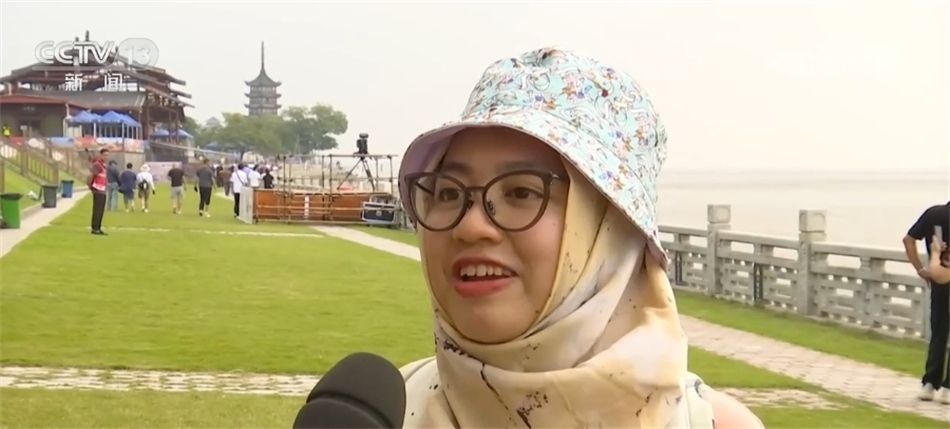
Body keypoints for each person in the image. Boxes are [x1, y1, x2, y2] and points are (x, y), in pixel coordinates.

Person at [394, 48, 761, 429]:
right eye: (448, 193)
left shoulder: (714, 425)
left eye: (521, 192)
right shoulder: (387, 412)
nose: (470, 227)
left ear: (610, 231)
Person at [904, 201, 950, 403]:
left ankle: (930, 384)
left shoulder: (934, 214)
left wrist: (921, 270)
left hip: (940, 279)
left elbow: (908, 240)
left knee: (939, 333)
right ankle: (948, 389)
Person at [87, 148, 110, 235]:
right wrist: (91, 187)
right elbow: (91, 176)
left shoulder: (103, 165)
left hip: (102, 189)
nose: (106, 157)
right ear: (100, 155)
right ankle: (95, 228)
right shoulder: (98, 164)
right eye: (104, 155)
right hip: (98, 189)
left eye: (107, 155)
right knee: (98, 210)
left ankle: (97, 227)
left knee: (100, 210)